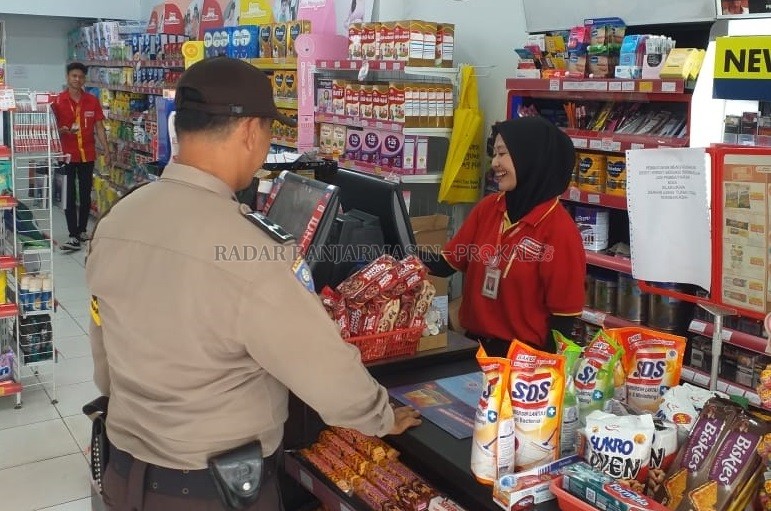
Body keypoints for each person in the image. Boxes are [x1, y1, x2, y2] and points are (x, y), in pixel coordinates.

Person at [86, 57, 421, 511]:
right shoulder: (251, 251)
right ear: (248, 132)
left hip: (122, 475)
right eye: (267, 133)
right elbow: (320, 367)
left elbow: (104, 352)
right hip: (212, 489)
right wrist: (379, 415)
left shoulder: (119, 218)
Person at [421, 117, 586, 357]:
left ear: (531, 158)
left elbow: (564, 320)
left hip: (523, 363)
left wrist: (543, 374)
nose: (494, 163)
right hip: (475, 349)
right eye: (494, 154)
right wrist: (392, 250)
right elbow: (446, 265)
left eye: (502, 154)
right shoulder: (489, 208)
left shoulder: (559, 230)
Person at [52, 62, 110, 252]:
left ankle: (82, 230)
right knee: (69, 195)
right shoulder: (58, 102)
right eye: (74, 76)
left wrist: (107, 151)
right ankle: (72, 234)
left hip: (87, 154)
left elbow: (99, 128)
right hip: (66, 155)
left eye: (80, 76)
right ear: (67, 77)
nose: (77, 79)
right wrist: (59, 130)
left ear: (84, 79)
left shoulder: (92, 101)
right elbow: (51, 128)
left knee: (85, 194)